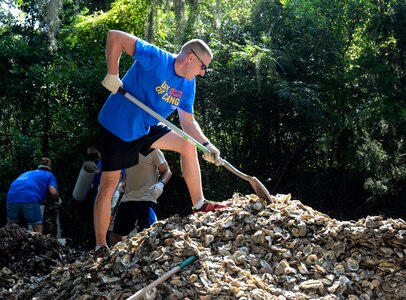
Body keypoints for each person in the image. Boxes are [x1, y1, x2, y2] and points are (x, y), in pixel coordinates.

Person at [94, 30, 229, 256]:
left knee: (188, 145)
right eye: (203, 67)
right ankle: (100, 246)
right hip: (117, 126)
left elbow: (187, 122)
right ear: (191, 58)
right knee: (109, 185)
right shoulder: (157, 59)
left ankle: (199, 204)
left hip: (146, 127)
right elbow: (114, 37)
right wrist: (112, 74)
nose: (203, 73)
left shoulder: (188, 85)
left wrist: (207, 144)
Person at [109, 149, 172, 246]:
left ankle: (144, 259)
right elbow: (127, 175)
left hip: (147, 198)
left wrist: (161, 184)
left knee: (147, 236)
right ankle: (120, 258)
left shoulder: (153, 150)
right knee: (116, 235)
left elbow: (167, 171)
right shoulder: (126, 150)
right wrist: (122, 185)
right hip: (127, 199)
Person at [6, 157, 59, 234]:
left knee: (11, 225)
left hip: (12, 196)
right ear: (50, 168)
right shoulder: (49, 175)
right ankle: (39, 245)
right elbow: (53, 192)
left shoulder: (29, 173)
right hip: (29, 196)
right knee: (37, 226)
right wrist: (57, 199)